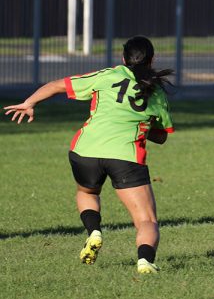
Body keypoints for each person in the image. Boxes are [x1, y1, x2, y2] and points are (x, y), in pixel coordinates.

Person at [3, 36, 174, 274]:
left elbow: (57, 85)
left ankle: (94, 231)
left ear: (123, 58)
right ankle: (145, 261)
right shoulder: (156, 92)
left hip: (85, 150)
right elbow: (162, 136)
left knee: (87, 192)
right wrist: (141, 125)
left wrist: (29, 103)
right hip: (125, 155)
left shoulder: (107, 76)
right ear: (153, 59)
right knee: (146, 220)